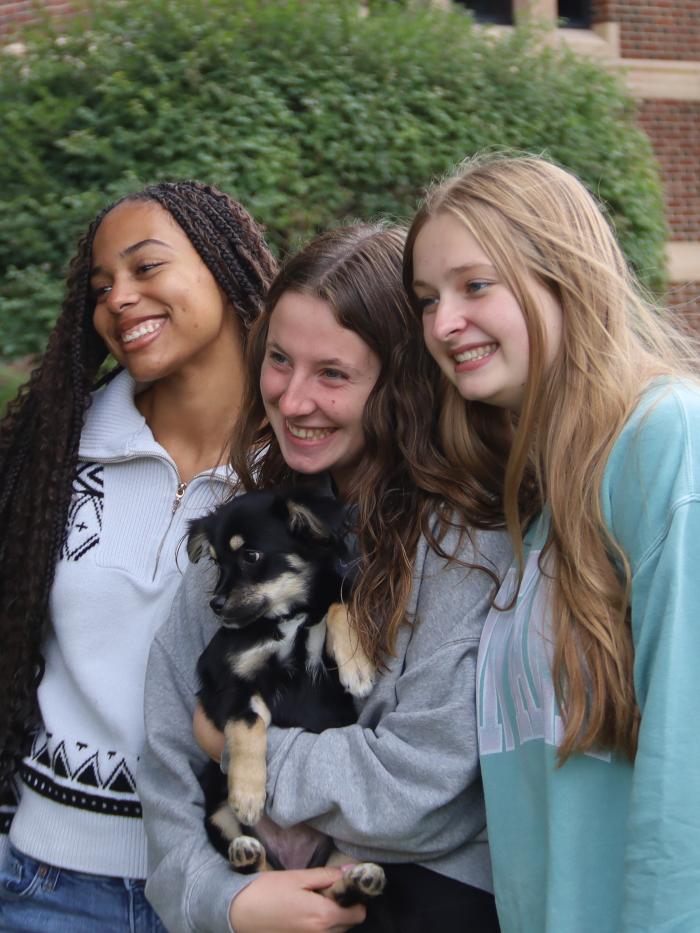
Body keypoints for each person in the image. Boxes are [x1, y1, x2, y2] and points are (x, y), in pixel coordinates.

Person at [138, 224, 512, 933]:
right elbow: (165, 760)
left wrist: (240, 747)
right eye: (279, 360)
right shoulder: (241, 535)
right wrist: (226, 899)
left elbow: (426, 788)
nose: (293, 398)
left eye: (333, 374)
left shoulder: (467, 545)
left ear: (402, 385)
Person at [405, 152, 700, 933]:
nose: (443, 323)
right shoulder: (535, 502)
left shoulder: (668, 441)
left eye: (475, 285)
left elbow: (689, 764)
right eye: (428, 298)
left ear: (563, 273)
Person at [0, 180, 276, 931]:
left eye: (146, 267)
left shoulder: (303, 465)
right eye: (100, 286)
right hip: (49, 885)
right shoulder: (52, 454)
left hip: (245, 887)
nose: (119, 298)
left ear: (226, 267)